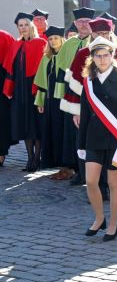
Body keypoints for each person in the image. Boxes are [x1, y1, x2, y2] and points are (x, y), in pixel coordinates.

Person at [79, 36, 117, 242]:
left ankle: (113, 224)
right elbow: (84, 113)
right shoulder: (88, 80)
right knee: (91, 181)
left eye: (106, 55)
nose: (102, 59)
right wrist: (80, 143)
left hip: (116, 138)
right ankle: (99, 218)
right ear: (92, 58)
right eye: (98, 56)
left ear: (112, 56)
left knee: (113, 183)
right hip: (93, 137)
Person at [2, 13, 46, 172]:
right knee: (25, 124)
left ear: (31, 26)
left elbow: (44, 68)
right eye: (20, 26)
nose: (23, 28)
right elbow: (10, 69)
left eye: (26, 25)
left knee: (36, 123)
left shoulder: (41, 42)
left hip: (35, 88)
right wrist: (8, 89)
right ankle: (29, 158)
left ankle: (37, 158)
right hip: (20, 90)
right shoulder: (16, 44)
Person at [56, 7, 95, 185]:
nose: (84, 24)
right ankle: (77, 170)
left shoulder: (96, 41)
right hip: (73, 94)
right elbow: (60, 72)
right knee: (75, 134)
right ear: (75, 24)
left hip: (91, 93)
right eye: (80, 22)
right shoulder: (69, 44)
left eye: (87, 21)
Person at [33, 26, 73, 178]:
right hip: (51, 102)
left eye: (56, 38)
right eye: (50, 39)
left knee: (64, 132)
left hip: (64, 100)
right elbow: (42, 82)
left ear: (62, 39)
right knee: (53, 131)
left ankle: (68, 166)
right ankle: (60, 166)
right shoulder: (46, 58)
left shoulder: (67, 56)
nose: (53, 41)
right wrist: (41, 102)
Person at [0, 30, 16, 166]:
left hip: (1, 83)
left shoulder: (5, 36)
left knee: (1, 119)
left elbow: (12, 63)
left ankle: (1, 153)